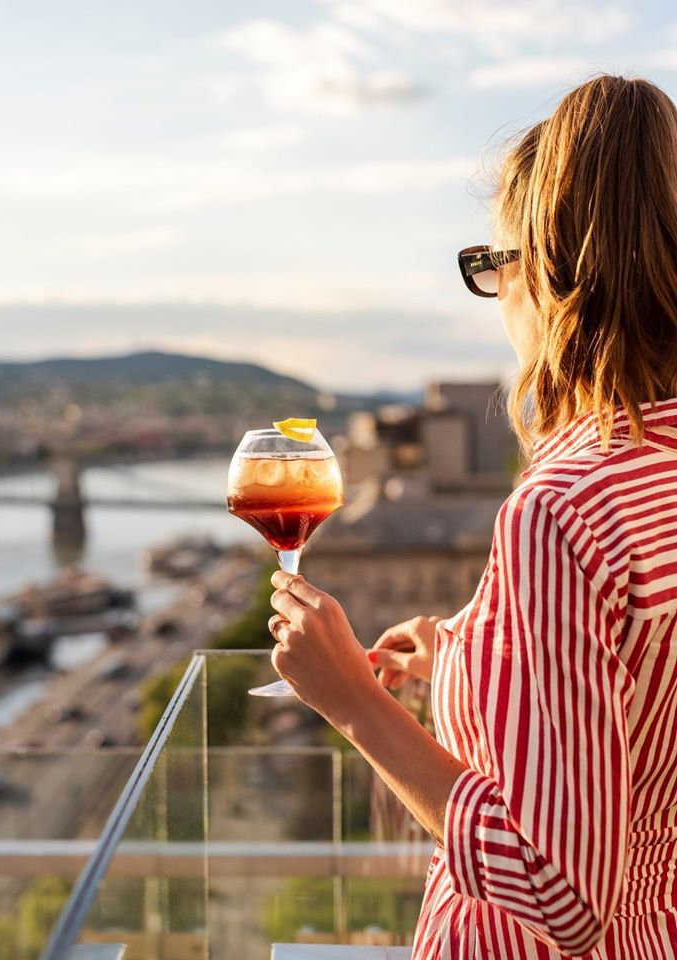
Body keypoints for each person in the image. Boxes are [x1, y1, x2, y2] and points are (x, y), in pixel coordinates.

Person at [267, 74, 677, 958]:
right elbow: (641, 705)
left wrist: (354, 707)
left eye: (493, 264)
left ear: (551, 274)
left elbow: (561, 893)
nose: (497, 297)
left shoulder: (562, 508)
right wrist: (466, 655)